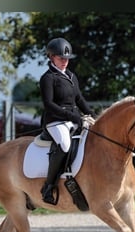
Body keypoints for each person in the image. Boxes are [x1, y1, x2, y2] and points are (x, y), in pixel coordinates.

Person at [39, 37, 96, 205]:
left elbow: (79, 99)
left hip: (73, 119)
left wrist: (91, 114)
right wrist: (72, 117)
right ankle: (48, 186)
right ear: (51, 57)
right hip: (55, 121)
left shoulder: (71, 76)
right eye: (60, 58)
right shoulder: (48, 78)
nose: (65, 62)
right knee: (65, 144)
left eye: (67, 59)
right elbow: (49, 104)